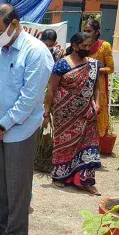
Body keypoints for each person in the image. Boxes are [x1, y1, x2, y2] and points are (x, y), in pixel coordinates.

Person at [0, 4, 53, 235]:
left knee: (17, 185)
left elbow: (29, 99)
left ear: (15, 23)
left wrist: (2, 125)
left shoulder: (36, 52)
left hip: (19, 130)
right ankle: (1, 227)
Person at [43, 32, 102, 196]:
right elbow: (51, 89)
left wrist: (97, 103)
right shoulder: (62, 64)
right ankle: (60, 177)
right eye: (84, 46)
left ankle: (85, 181)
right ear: (75, 46)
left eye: (89, 46)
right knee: (64, 144)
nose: (87, 49)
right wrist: (46, 112)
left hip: (87, 113)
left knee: (88, 144)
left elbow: (96, 87)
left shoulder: (93, 65)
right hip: (65, 113)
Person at [83, 19, 114, 141]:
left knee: (98, 112)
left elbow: (110, 68)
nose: (86, 33)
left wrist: (94, 68)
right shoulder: (82, 44)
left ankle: (97, 142)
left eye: (89, 31)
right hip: (83, 83)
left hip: (99, 85)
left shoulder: (104, 46)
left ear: (97, 32)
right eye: (84, 30)